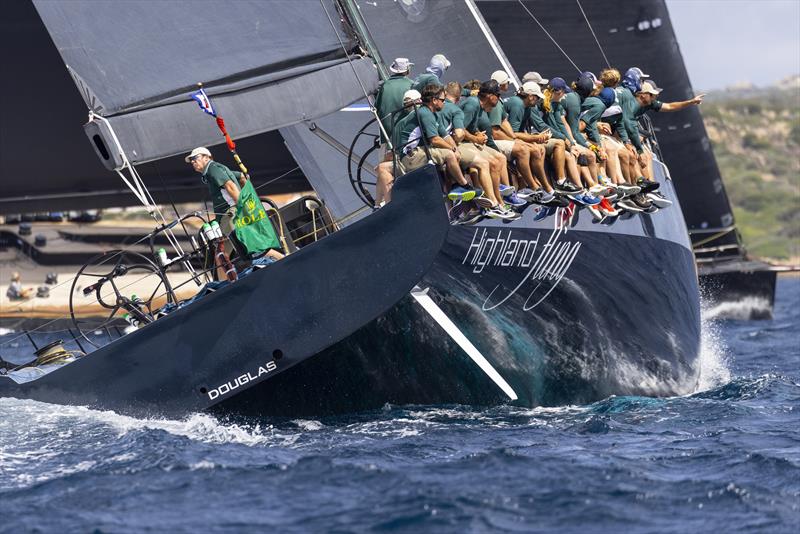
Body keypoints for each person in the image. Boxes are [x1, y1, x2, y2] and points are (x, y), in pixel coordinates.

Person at [393, 83, 477, 201]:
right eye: (443, 100)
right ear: (434, 100)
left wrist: (455, 149)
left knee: (453, 154)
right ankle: (464, 186)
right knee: (449, 155)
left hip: (419, 151)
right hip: (410, 156)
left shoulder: (433, 114)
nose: (444, 102)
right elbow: (435, 139)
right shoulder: (424, 113)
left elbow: (445, 135)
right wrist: (452, 149)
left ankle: (454, 188)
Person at [375, 89, 421, 207]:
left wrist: (387, 159)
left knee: (381, 168)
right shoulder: (428, 114)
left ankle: (385, 203)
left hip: (410, 161)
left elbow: (392, 153)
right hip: (423, 155)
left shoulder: (400, 124)